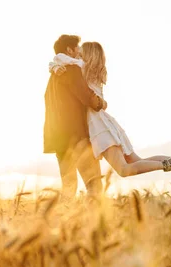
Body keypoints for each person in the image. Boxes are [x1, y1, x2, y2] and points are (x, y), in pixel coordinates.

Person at [48, 41, 171, 181]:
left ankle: (170, 164)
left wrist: (53, 65)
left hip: (98, 127)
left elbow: (59, 58)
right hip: (105, 123)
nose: (77, 55)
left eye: (81, 53)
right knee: (136, 160)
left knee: (124, 170)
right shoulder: (96, 71)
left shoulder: (82, 68)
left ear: (88, 56)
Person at [43, 34, 106, 199]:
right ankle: (94, 222)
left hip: (59, 141)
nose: (79, 52)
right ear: (69, 50)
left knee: (69, 188)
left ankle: (64, 221)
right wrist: (101, 103)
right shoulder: (72, 70)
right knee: (94, 186)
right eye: (77, 48)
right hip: (76, 138)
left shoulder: (53, 78)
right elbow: (87, 97)